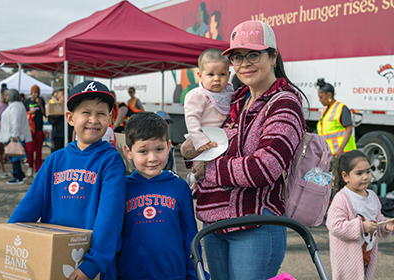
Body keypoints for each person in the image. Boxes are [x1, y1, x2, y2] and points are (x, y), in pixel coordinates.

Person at [180, 20, 307, 280]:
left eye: (253, 54)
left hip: (256, 225)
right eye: (237, 57)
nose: (244, 63)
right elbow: (205, 148)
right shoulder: (234, 99)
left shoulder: (284, 103)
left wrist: (207, 167)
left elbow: (263, 169)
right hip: (214, 224)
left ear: (273, 56)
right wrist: (190, 152)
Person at [8, 80, 126, 280]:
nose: (93, 120)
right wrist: (9, 237)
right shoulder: (55, 161)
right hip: (53, 256)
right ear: (70, 118)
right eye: (86, 113)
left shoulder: (111, 161)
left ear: (110, 117)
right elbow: (29, 205)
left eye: (101, 114)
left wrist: (93, 264)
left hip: (93, 266)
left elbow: (110, 218)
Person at [117, 112, 208, 280]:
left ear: (169, 146)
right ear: (128, 151)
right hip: (130, 275)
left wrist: (196, 274)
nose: (152, 158)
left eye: (159, 149)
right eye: (143, 151)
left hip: (174, 275)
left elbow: (190, 236)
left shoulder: (180, 187)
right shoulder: (121, 189)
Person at [326, 150, 394, 280]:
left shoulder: (372, 196)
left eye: (368, 171)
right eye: (359, 173)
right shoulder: (342, 198)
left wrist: (385, 226)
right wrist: (361, 226)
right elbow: (334, 226)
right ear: (346, 176)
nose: (365, 177)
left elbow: (377, 219)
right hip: (348, 260)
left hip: (366, 256)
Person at [184, 48, 234, 191]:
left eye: (222, 74)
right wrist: (199, 140)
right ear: (200, 76)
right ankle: (193, 180)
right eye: (211, 74)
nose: (216, 78)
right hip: (204, 138)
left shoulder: (229, 92)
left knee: (218, 166)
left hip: (222, 138)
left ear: (229, 75)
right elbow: (192, 119)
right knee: (201, 168)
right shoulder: (198, 95)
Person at [316, 78, 356, 196]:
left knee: (337, 181)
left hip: (340, 153)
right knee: (331, 181)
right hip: (329, 153)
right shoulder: (325, 111)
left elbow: (349, 128)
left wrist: (341, 149)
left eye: (321, 96)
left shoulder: (341, 108)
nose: (320, 100)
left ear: (329, 95)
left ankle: (336, 205)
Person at [0, 89, 32, 184]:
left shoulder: (15, 106)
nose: (6, 97)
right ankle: (20, 174)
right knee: (15, 156)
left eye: (7, 95)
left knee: (15, 156)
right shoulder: (16, 105)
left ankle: (18, 176)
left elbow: (15, 122)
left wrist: (14, 135)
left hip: (15, 136)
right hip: (16, 135)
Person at [24, 84, 46, 177]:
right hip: (29, 129)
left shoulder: (41, 101)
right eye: (34, 92)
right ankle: (30, 167)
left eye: (37, 92)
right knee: (30, 150)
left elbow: (45, 114)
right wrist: (29, 112)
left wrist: (40, 104)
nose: (36, 94)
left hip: (39, 129)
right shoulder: (26, 102)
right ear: (31, 93)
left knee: (39, 150)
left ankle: (38, 169)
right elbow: (23, 114)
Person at [0, 83, 9, 178]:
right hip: (0, 128)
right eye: (6, 94)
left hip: (8, 129)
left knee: (8, 149)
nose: (8, 96)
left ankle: (9, 166)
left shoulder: (10, 105)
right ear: (2, 94)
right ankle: (3, 169)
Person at [48, 88, 66, 152]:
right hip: (58, 134)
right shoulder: (54, 106)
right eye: (63, 94)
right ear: (58, 96)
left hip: (69, 134)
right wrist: (57, 115)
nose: (65, 95)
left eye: (66, 93)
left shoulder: (70, 106)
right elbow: (50, 120)